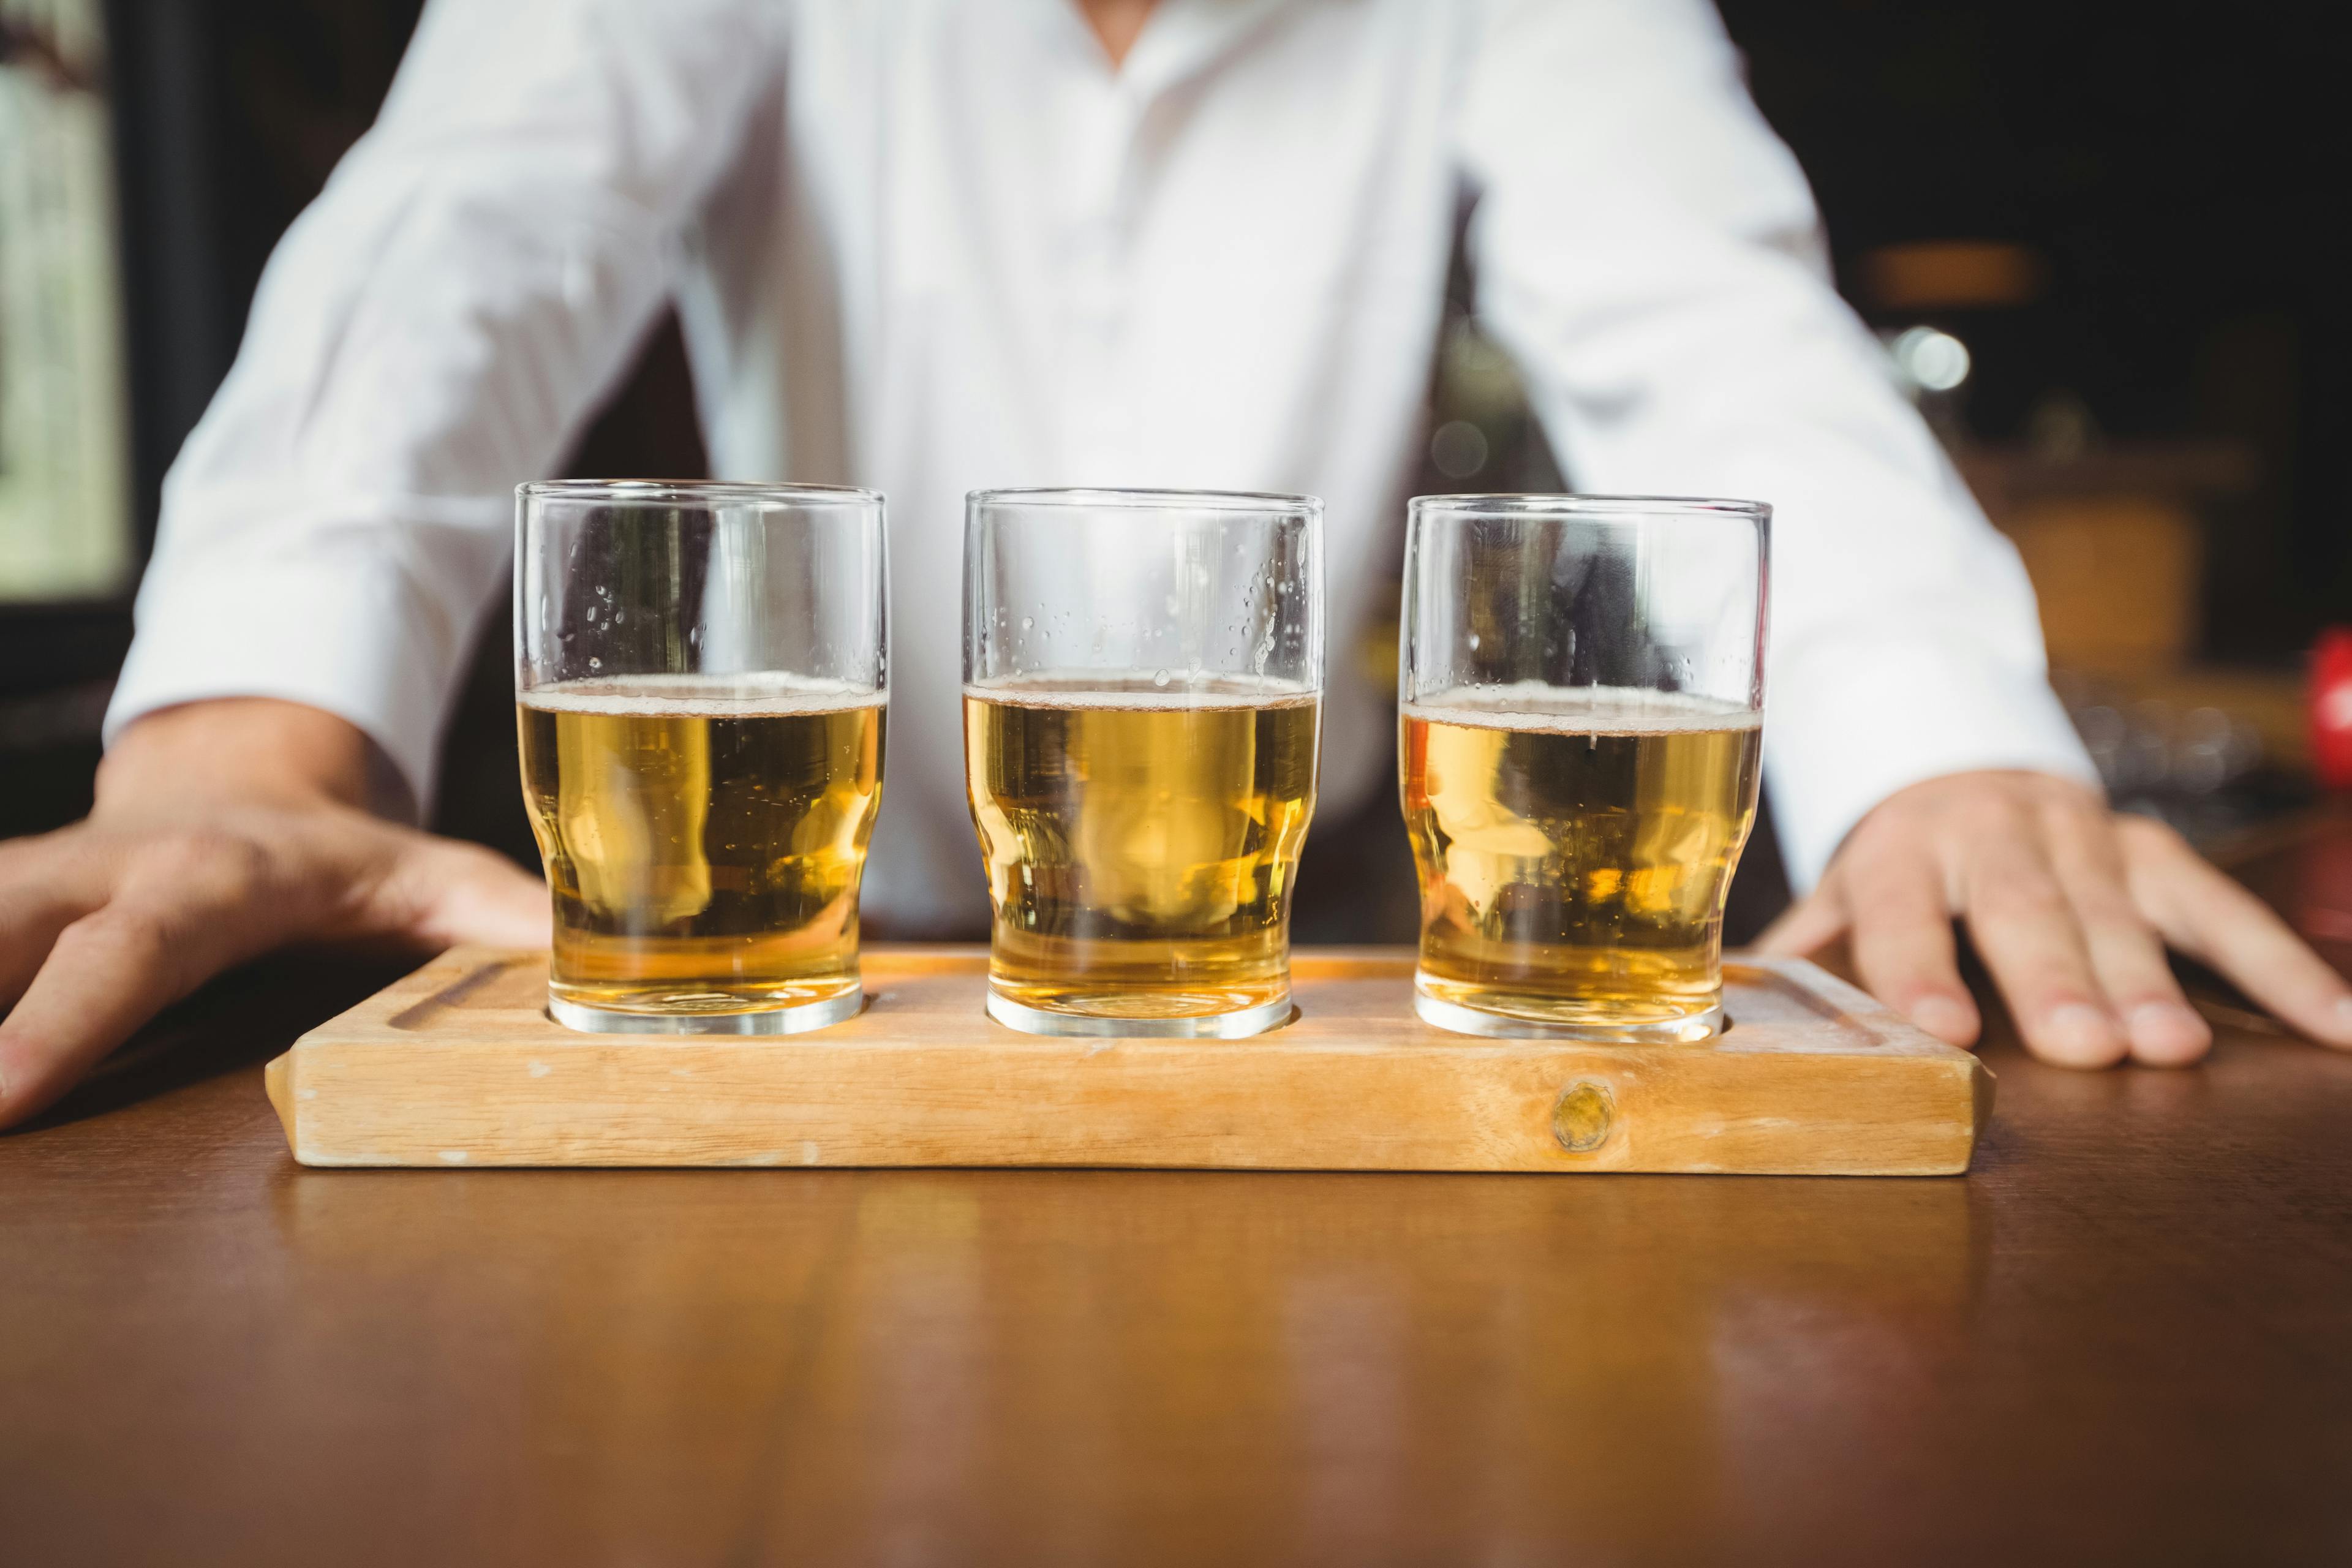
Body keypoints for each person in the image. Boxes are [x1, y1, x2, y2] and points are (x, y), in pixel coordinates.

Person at [2, 0, 2346, 1128]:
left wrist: (1944, 751)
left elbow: (1716, 323)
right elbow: (457, 245)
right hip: (793, 985)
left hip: (1279, 965)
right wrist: (236, 754)